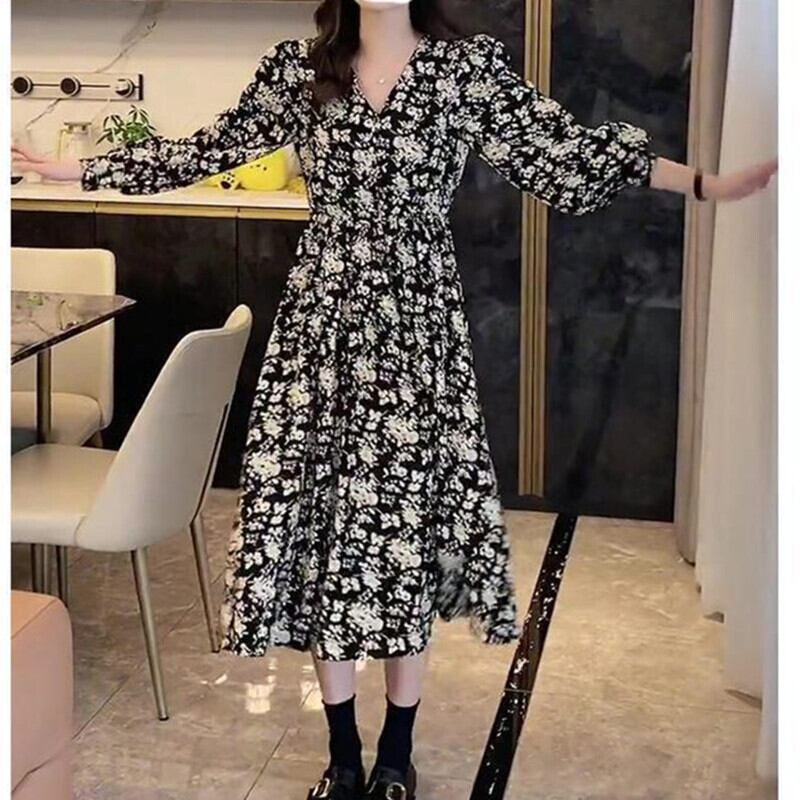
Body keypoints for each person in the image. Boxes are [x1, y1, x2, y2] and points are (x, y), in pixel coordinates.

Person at [12, 1, 777, 797]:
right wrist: (79, 170)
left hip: (418, 338)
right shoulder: (301, 70)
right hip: (323, 337)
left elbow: (566, 153)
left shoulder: (462, 70)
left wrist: (701, 183)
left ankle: (396, 755)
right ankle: (344, 758)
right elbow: (208, 149)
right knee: (329, 539)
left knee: (405, 536)